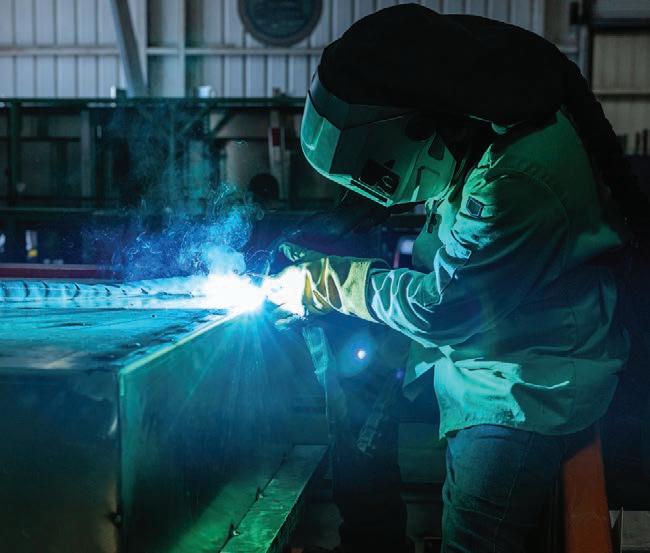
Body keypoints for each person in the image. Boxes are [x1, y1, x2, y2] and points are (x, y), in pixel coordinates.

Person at [265, 5, 636, 552]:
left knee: (472, 540)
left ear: (413, 126)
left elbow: (438, 309)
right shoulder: (473, 126)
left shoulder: (517, 177)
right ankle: (372, 542)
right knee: (354, 373)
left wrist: (329, 282)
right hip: (484, 347)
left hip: (524, 387)